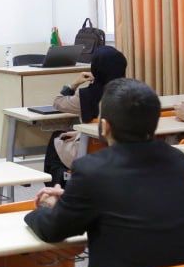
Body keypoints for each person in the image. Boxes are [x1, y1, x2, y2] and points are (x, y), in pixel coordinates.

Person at [25, 78, 184, 267]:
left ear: (104, 126)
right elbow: (132, 201)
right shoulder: (179, 160)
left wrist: (47, 206)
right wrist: (72, 199)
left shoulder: (91, 170)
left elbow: (54, 230)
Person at [43, 45, 127, 187]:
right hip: (125, 152)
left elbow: (58, 102)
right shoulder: (132, 92)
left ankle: (59, 187)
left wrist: (74, 84)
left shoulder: (85, 96)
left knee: (56, 139)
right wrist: (79, 133)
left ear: (95, 69)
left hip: (91, 151)